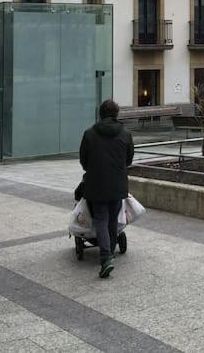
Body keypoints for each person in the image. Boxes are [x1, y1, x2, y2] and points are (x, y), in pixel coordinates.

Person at [79, 99, 133, 278]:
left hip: (96, 184)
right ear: (116, 114)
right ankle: (109, 252)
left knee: (101, 219)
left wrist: (93, 170)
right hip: (118, 185)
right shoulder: (126, 134)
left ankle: (105, 257)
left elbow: (84, 161)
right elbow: (129, 160)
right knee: (111, 220)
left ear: (100, 114)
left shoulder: (89, 134)